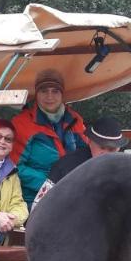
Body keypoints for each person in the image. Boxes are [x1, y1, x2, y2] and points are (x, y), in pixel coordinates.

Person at [11, 68, 87, 206]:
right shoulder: (21, 123)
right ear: (36, 94)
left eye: (55, 91)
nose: (50, 96)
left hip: (72, 190)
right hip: (34, 196)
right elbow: (14, 166)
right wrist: (49, 183)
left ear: (62, 94)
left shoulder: (75, 119)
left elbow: (86, 155)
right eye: (44, 91)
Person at [33, 114, 125, 204]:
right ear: (89, 141)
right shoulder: (65, 167)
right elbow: (39, 205)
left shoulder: (126, 170)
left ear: (119, 148)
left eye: (112, 149)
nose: (106, 154)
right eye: (101, 147)